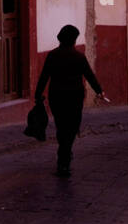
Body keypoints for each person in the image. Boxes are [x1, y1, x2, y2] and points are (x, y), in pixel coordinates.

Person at [34, 25, 104, 177]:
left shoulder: (52, 55)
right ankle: (64, 158)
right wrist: (99, 91)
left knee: (61, 125)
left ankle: (63, 157)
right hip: (74, 97)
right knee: (71, 127)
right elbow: (89, 75)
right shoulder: (79, 57)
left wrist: (37, 94)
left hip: (57, 97)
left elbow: (44, 76)